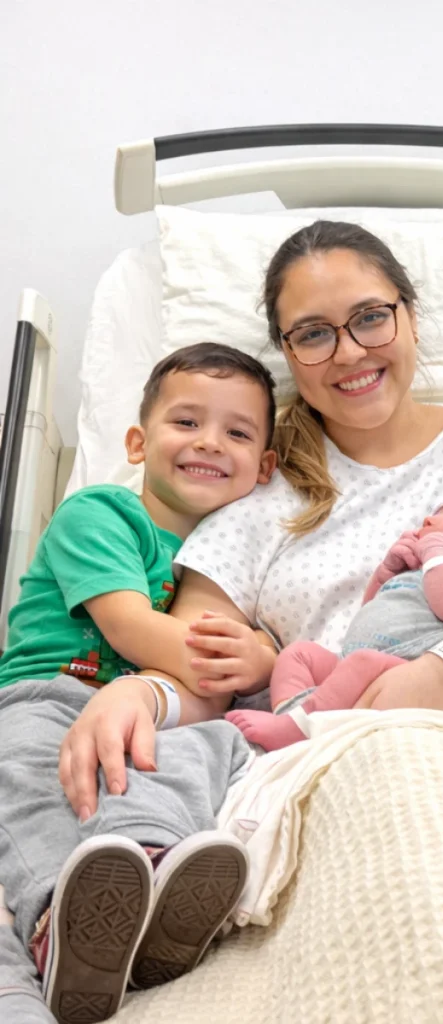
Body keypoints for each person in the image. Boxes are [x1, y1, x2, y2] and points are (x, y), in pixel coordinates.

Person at [47, 220, 443, 1011]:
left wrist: (439, 680)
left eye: (371, 317)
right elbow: (203, 662)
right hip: (326, 752)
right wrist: (145, 694)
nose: (350, 351)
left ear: (409, 315)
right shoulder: (261, 485)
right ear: (287, 353)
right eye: (314, 334)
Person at [0, 343, 278, 1023]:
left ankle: (147, 872)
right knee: (36, 782)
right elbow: (129, 626)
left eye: (238, 433)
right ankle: (52, 923)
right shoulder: (100, 515)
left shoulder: (237, 558)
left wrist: (265, 658)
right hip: (50, 696)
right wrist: (253, 662)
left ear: (265, 467)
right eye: (186, 422)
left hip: (160, 716)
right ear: (136, 441)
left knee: (211, 746)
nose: (209, 442)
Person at [226, 472, 443, 751]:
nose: (430, 521)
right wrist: (387, 573)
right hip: (357, 663)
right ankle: (290, 715)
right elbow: (372, 611)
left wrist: (436, 554)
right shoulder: (428, 568)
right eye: (434, 516)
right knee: (300, 654)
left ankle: (301, 727)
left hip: (408, 671)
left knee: (362, 662)